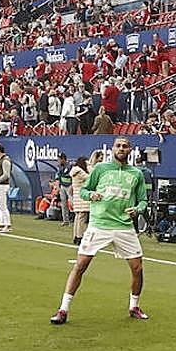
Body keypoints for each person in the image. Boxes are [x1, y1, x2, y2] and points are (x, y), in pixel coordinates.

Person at [49, 136, 149, 324]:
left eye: (125, 146)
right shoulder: (101, 169)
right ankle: (63, 309)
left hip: (124, 226)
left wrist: (137, 210)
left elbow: (143, 200)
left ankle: (134, 306)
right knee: (81, 265)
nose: (121, 148)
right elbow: (84, 190)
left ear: (130, 150)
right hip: (99, 224)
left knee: (138, 268)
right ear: (112, 149)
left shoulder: (136, 173)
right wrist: (91, 194)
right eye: (118, 145)